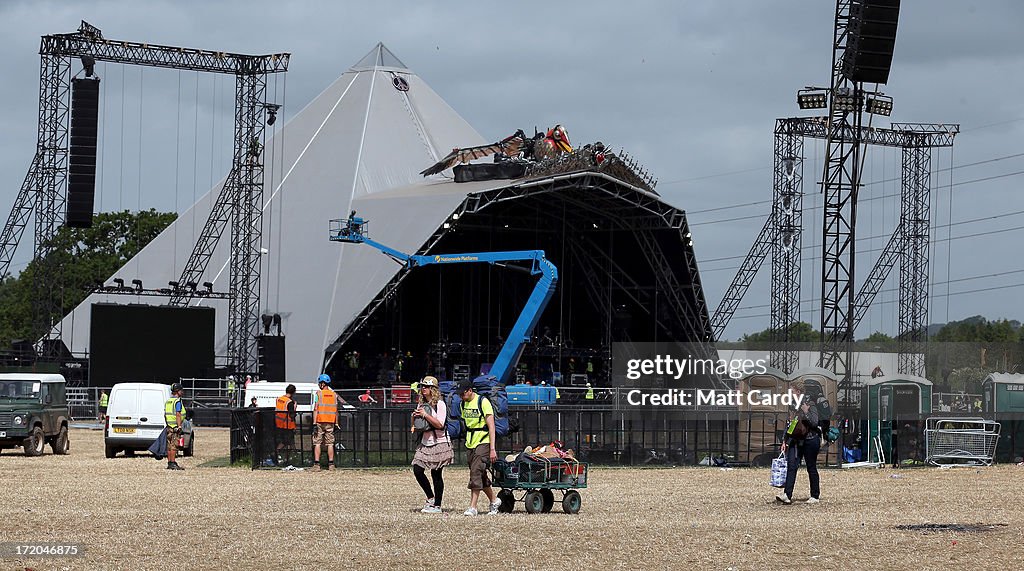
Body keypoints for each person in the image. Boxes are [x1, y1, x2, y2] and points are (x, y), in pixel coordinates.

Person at [458, 379, 501, 516]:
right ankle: (494, 501)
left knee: (475, 471)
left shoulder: (483, 402)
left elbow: (491, 426)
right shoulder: (462, 404)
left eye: (463, 393)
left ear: (470, 390)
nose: (461, 397)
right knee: (480, 474)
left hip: (484, 441)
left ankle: (473, 507)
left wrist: (492, 448)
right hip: (470, 442)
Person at [411, 377, 453, 513]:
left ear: (433, 389)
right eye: (422, 386)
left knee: (436, 474)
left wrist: (425, 415)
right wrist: (415, 418)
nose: (423, 389)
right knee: (417, 469)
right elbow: (419, 425)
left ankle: (437, 506)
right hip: (425, 442)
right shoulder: (421, 404)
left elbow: (440, 424)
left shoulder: (440, 404)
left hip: (439, 442)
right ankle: (430, 497)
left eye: (426, 386)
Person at [777, 385, 820, 505]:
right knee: (792, 465)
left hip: (810, 440)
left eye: (791, 391)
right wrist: (784, 440)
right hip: (795, 440)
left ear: (798, 391)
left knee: (811, 467)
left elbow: (815, 422)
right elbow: (789, 423)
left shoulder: (809, 403)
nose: (789, 393)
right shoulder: (792, 406)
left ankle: (815, 495)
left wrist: (806, 412)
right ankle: (787, 494)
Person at [312, 374, 338, 471]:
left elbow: (316, 408)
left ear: (322, 384)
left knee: (317, 442)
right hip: (330, 421)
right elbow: (336, 410)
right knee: (330, 443)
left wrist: (314, 423)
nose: (319, 385)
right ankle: (331, 465)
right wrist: (336, 423)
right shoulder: (334, 395)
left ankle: (317, 465)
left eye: (320, 383)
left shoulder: (318, 394)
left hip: (319, 421)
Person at [164, 383, 187, 471]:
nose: (182, 392)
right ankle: (173, 463)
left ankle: (170, 462)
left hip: (169, 426)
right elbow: (178, 414)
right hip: (175, 427)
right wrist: (179, 426)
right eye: (181, 390)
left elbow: (165, 414)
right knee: (174, 446)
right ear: (178, 391)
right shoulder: (177, 401)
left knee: (169, 446)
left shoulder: (168, 401)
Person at [275, 384, 297, 456]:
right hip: (287, 425)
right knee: (287, 441)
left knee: (290, 441)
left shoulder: (279, 399)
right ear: (293, 392)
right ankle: (276, 452)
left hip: (278, 423)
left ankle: (294, 454)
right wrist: (295, 407)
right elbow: (292, 415)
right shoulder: (289, 402)